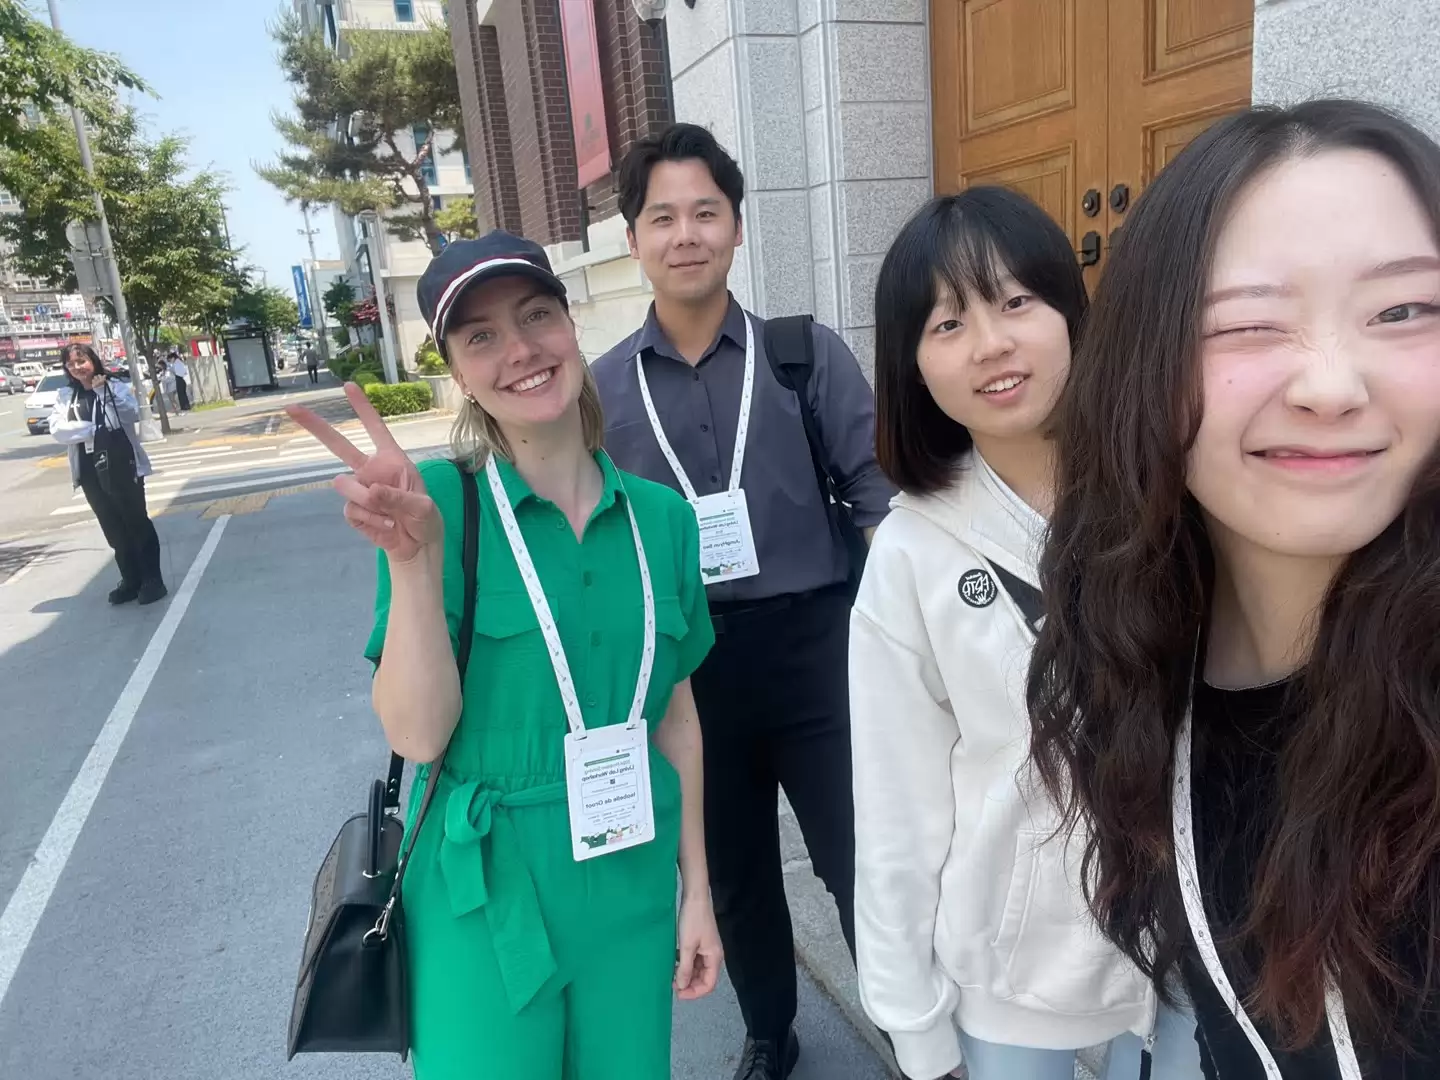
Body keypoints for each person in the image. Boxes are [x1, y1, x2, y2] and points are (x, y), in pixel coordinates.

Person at [1027, 99, 1440, 1078]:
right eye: (1250, 323)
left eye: (1405, 311)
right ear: (1142, 370)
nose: (1332, 386)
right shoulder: (1145, 671)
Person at [287, 230, 724, 1080]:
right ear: (457, 369)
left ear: (571, 325)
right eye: (480, 336)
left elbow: (678, 722)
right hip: (481, 890)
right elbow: (417, 736)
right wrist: (412, 563)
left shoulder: (664, 520)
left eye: (536, 316)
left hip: (629, 875)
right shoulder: (441, 501)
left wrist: (697, 893)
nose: (520, 350)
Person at [851, 189, 1202, 1080]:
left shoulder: (1173, 492)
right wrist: (914, 1025)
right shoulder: (911, 551)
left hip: (1192, 944)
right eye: (948, 322)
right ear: (912, 363)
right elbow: (898, 806)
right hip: (1011, 971)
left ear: (1070, 313)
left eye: (1016, 302)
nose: (992, 344)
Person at [592, 122, 896, 1080]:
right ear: (634, 239)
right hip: (689, 669)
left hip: (817, 652)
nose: (686, 234)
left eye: (705, 213)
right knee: (733, 876)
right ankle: (771, 1031)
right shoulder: (599, 394)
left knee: (860, 861)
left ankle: (905, 1027)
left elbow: (881, 502)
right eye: (663, 217)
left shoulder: (803, 356)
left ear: (734, 227)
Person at [48, 343, 167, 605]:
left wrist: (102, 393)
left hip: (121, 463)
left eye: (82, 361)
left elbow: (126, 415)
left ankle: (152, 579)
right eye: (71, 364)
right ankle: (130, 579)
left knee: (135, 521)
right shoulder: (66, 395)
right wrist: (94, 428)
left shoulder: (115, 387)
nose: (77, 368)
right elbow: (58, 430)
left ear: (93, 360)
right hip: (90, 467)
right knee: (112, 526)